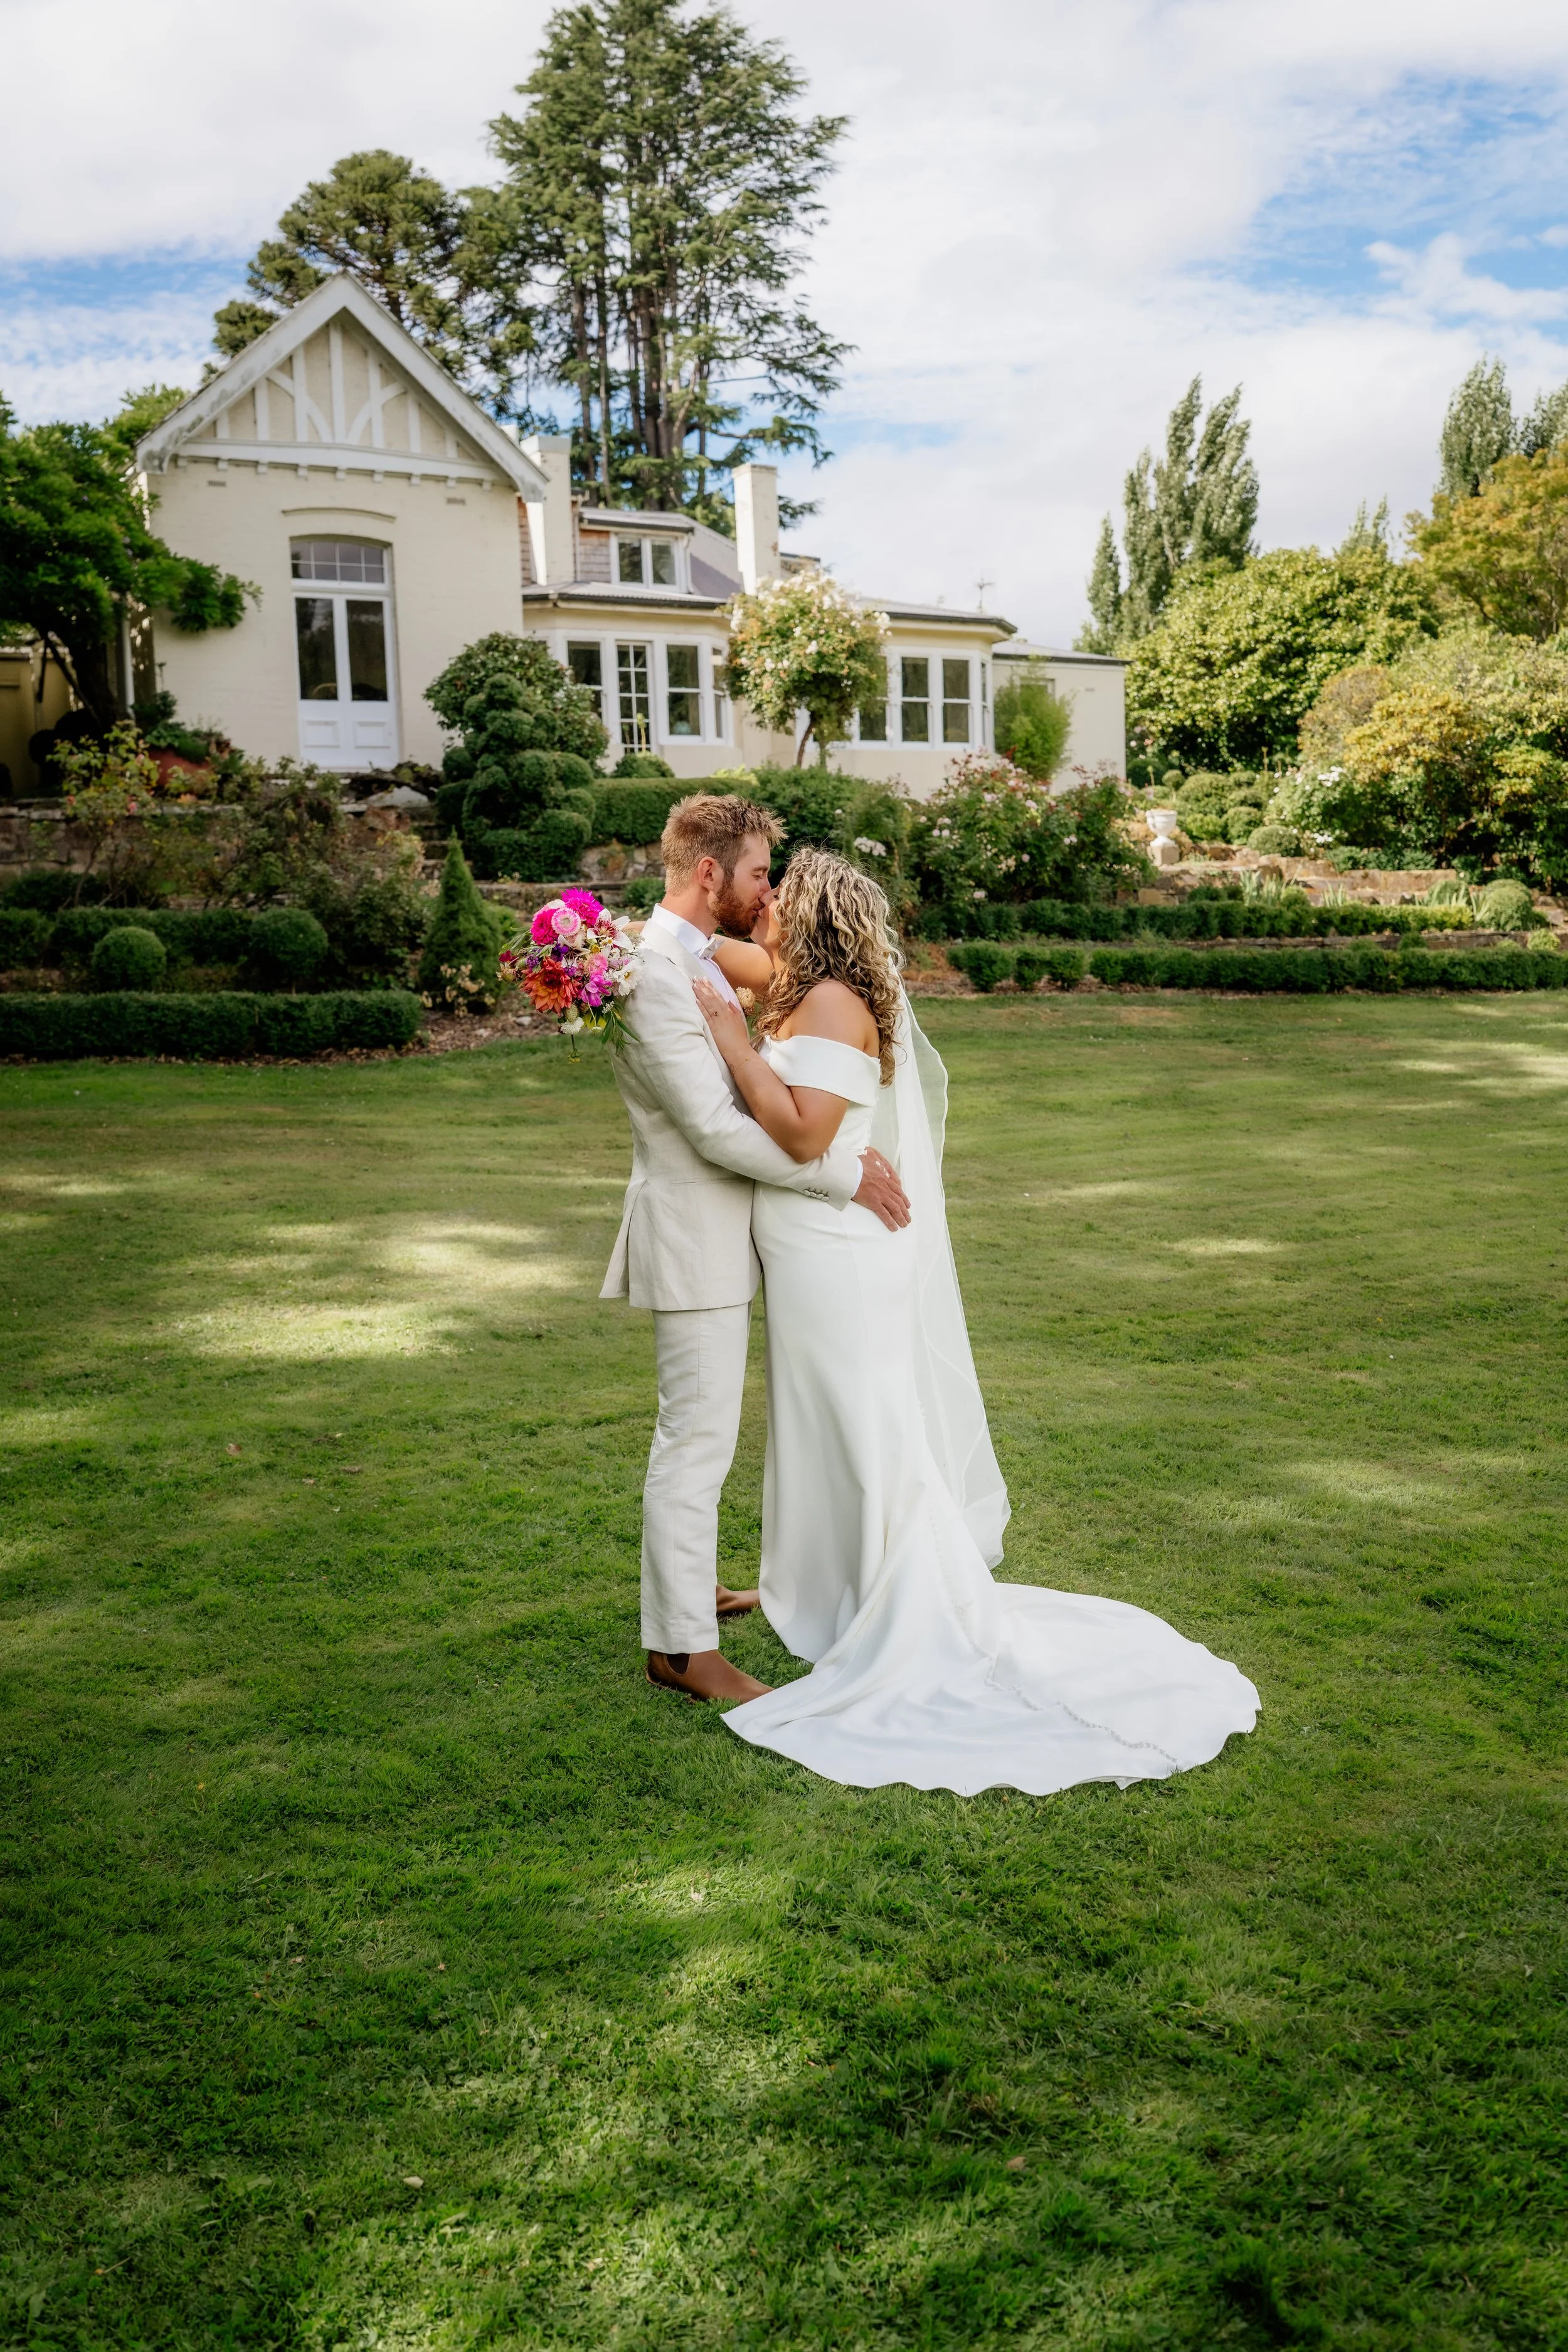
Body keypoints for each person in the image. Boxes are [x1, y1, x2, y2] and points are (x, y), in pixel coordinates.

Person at [691, 846, 1259, 1796]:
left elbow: (801, 1133)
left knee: (866, 1424)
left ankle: (898, 1603)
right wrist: (621, 937)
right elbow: (703, 948)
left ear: (816, 914)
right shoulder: (796, 983)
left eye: (779, 894)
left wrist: (731, 1038)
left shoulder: (834, 1002)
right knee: (822, 1424)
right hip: (804, 1255)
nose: (764, 904)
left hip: (840, 1257)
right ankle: (823, 1586)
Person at [601, 795, 912, 1706]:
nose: (764, 889)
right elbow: (709, 1129)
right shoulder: (658, 971)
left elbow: (793, 981)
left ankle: (686, 1597)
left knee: (702, 1437)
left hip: (726, 1235)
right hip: (695, 1236)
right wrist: (841, 1177)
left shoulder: (683, 952)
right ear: (709, 876)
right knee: (695, 1441)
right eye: (754, 874)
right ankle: (681, 1649)